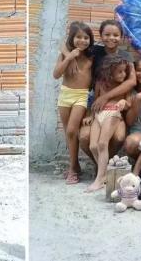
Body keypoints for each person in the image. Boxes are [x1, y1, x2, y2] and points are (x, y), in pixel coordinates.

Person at [78, 20, 136, 165]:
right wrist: (91, 110)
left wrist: (106, 97)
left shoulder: (125, 56)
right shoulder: (94, 52)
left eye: (116, 35)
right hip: (95, 102)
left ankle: (108, 165)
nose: (111, 38)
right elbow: (72, 47)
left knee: (119, 137)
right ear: (101, 36)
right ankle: (100, 167)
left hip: (115, 103)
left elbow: (131, 81)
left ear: (121, 37)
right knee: (85, 137)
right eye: (107, 34)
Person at [53, 21, 95, 185]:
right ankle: (75, 165)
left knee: (72, 130)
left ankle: (72, 169)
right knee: (68, 133)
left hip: (81, 96)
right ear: (72, 38)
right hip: (65, 95)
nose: (82, 41)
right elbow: (56, 74)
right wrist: (69, 56)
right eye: (78, 37)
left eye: (86, 37)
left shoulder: (92, 56)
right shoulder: (66, 55)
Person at [83, 55, 130, 192]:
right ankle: (105, 174)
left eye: (125, 71)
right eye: (120, 71)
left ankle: (99, 179)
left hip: (113, 114)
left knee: (102, 144)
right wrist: (91, 115)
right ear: (110, 72)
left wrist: (124, 103)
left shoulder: (123, 86)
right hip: (99, 115)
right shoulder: (100, 83)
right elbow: (96, 101)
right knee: (93, 146)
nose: (124, 74)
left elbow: (128, 103)